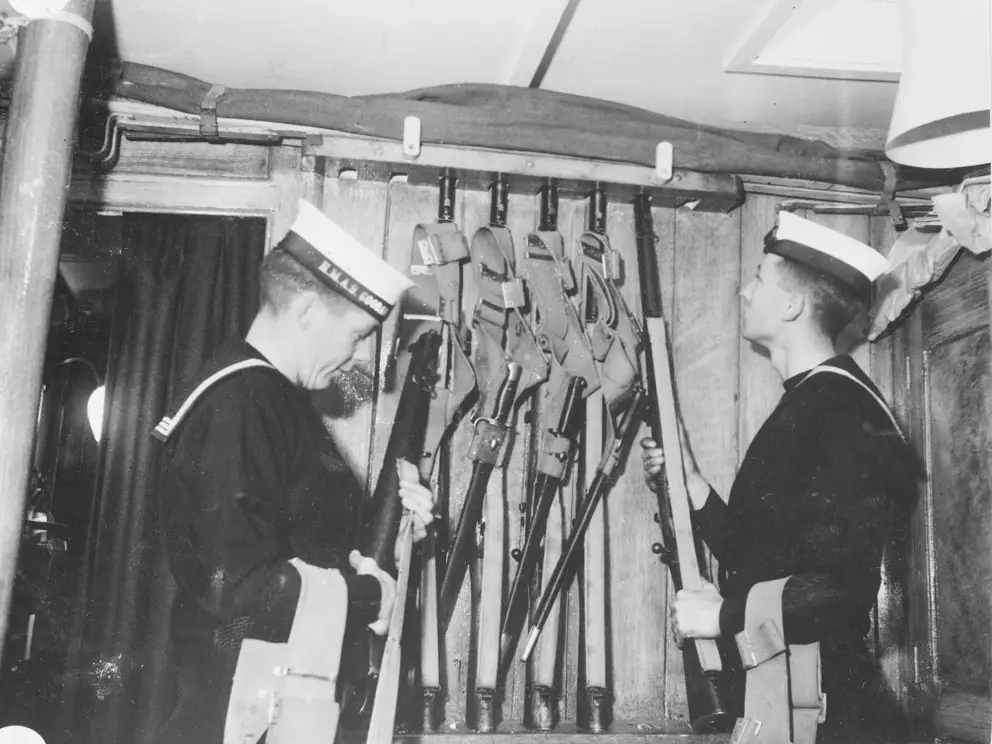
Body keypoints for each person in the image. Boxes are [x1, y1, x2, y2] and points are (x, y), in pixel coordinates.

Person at [153, 200, 435, 742]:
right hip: (236, 719)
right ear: (307, 312)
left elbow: (310, 551)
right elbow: (240, 588)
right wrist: (371, 598)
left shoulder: (271, 399)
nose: (355, 357)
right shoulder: (242, 401)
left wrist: (396, 543)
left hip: (273, 709)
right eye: (355, 336)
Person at [642, 211, 919, 742]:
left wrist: (722, 616)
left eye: (760, 280)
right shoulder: (814, 402)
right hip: (797, 694)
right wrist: (692, 483)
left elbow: (836, 592)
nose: (744, 292)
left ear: (792, 305)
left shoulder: (837, 409)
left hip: (831, 711)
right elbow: (763, 562)